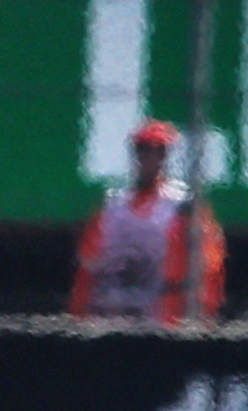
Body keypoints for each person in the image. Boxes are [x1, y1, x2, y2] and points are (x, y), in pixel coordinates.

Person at [69, 119, 225, 325]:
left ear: (166, 156)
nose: (149, 158)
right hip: (112, 308)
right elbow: (89, 262)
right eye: (142, 150)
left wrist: (204, 312)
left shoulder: (183, 205)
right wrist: (79, 312)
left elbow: (208, 262)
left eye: (158, 151)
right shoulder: (113, 204)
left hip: (165, 312)